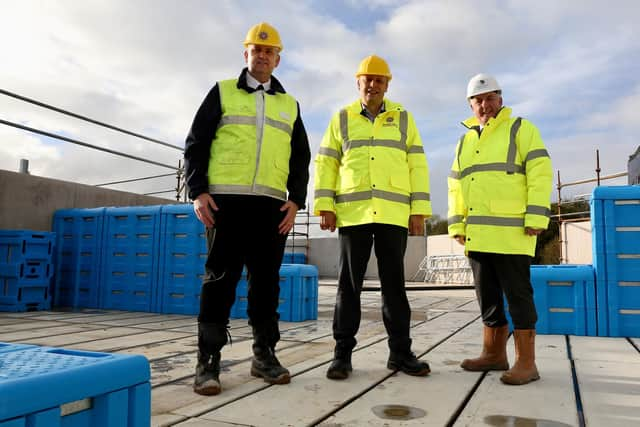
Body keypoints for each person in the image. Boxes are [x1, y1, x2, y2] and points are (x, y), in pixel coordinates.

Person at [184, 22, 311, 395]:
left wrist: (296, 199)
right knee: (219, 280)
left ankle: (264, 355)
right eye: (256, 49)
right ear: (246, 54)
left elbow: (300, 157)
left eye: (269, 51)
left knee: (266, 284)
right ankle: (208, 361)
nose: (262, 55)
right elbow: (196, 143)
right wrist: (198, 191)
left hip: (271, 207)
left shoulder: (290, 104)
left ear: (278, 59)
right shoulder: (222, 92)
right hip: (225, 204)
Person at [314, 55, 432, 380]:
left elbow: (417, 165)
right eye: (367, 79)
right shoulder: (342, 118)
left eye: (379, 80)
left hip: (394, 215)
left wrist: (419, 211)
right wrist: (325, 204)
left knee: (394, 286)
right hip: (354, 215)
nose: (373, 84)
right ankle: (342, 356)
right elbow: (326, 163)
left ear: (387, 84)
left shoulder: (403, 118)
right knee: (348, 286)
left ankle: (401, 353)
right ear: (358, 82)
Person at [447, 73, 553, 385]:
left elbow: (540, 171)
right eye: (478, 100)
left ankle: (527, 362)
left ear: (501, 99)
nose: (485, 105)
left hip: (512, 234)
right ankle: (494, 354)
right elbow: (455, 185)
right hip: (478, 235)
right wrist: (457, 222)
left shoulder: (521, 129)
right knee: (488, 297)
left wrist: (536, 216)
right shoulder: (465, 140)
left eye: (490, 98)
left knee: (518, 296)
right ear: (470, 105)